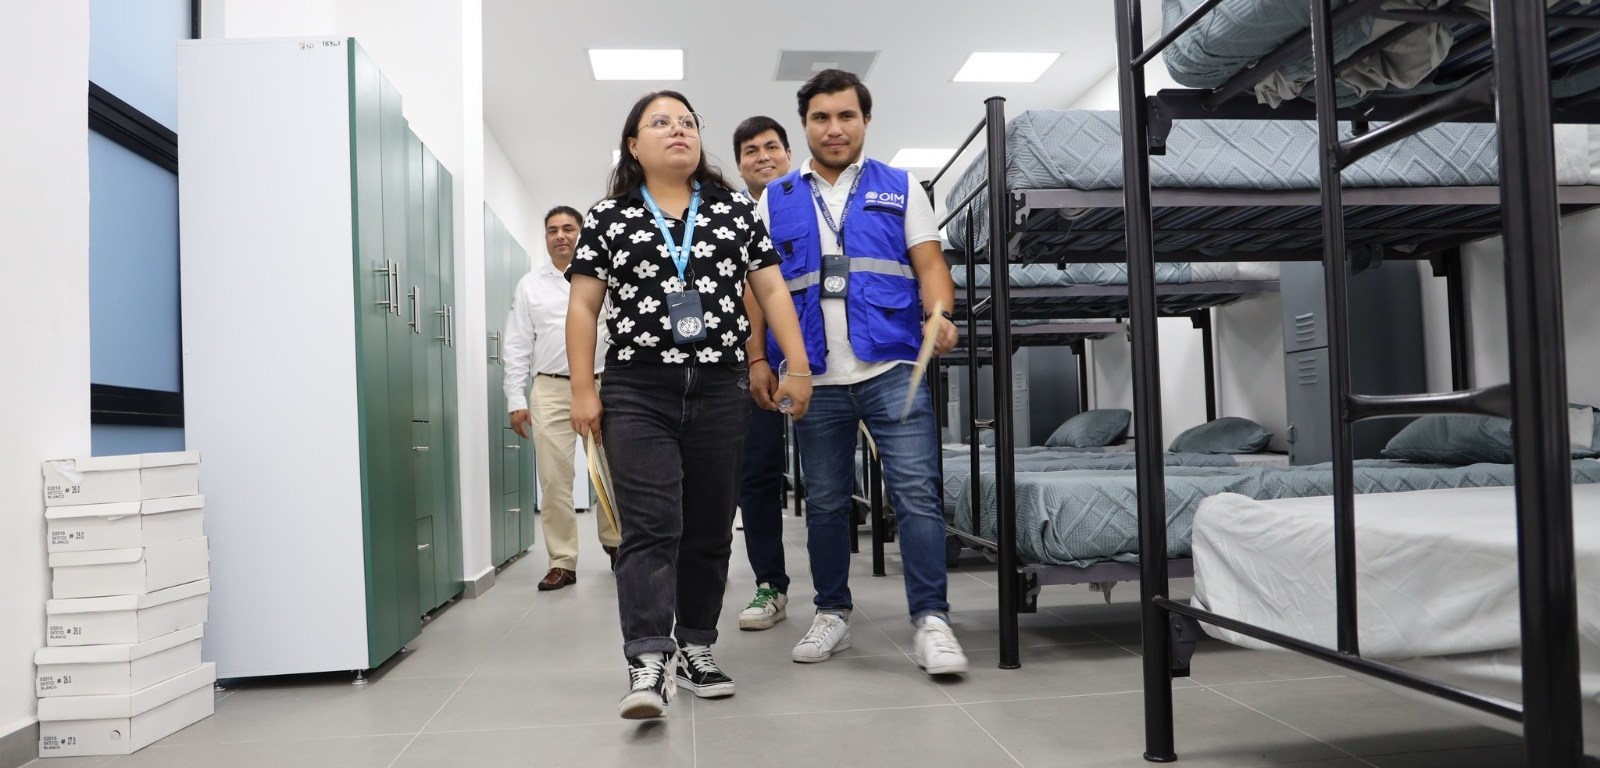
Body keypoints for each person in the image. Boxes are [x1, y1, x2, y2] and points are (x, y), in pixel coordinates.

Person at [565, 91, 814, 720]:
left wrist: (798, 365)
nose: (678, 130)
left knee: (708, 526)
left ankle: (697, 646)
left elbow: (771, 291)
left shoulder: (733, 210)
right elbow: (585, 306)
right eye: (660, 122)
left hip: (721, 385)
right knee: (652, 526)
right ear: (633, 145)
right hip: (637, 387)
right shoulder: (610, 216)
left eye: (687, 122)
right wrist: (583, 388)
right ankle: (648, 659)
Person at [751, 69, 969, 675]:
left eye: (846, 115)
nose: (834, 128)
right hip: (813, 376)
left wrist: (941, 313)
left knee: (917, 495)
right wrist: (758, 358)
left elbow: (930, 264)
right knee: (825, 502)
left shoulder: (900, 185)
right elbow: (760, 288)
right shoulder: (776, 197)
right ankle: (832, 614)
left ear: (865, 120)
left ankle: (932, 620)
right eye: (821, 117)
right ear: (804, 125)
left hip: (892, 362)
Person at [504, 206, 619, 591]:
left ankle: (617, 544)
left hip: (603, 385)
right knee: (554, 479)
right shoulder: (530, 285)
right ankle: (562, 561)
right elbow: (518, 344)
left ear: (581, 234)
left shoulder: (604, 276)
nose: (560, 236)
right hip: (551, 389)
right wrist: (515, 398)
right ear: (546, 238)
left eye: (568, 228)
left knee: (610, 471)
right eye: (553, 230)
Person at [730, 116, 794, 631]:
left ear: (789, 154)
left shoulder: (815, 207)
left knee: (827, 482)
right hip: (753, 364)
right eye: (751, 151)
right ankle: (770, 584)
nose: (763, 157)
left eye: (772, 147)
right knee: (757, 475)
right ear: (739, 165)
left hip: (818, 361)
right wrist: (756, 359)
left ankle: (835, 599)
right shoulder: (726, 220)